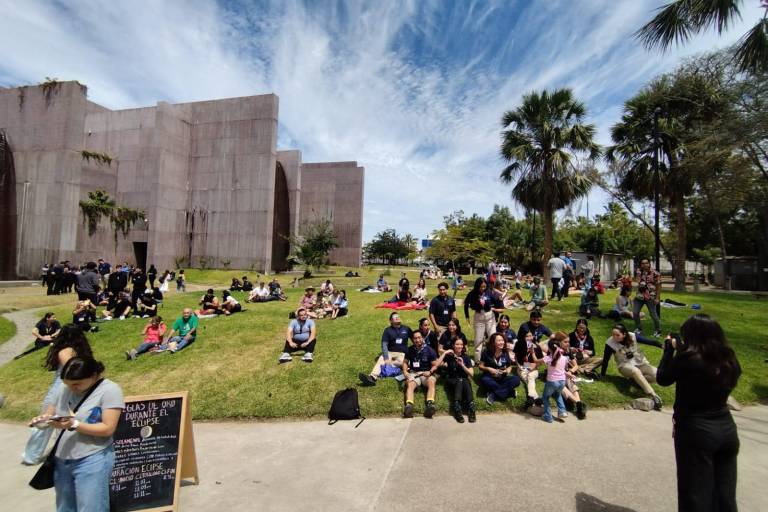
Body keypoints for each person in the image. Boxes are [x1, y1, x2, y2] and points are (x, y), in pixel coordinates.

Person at [657, 315, 742, 512]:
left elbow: (663, 378)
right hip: (726, 429)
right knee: (724, 494)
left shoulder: (688, 360)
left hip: (696, 431)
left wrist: (669, 350)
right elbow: (702, 368)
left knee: (695, 493)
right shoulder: (728, 358)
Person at [28, 356, 124, 512]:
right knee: (65, 508)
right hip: (62, 459)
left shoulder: (110, 390)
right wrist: (43, 421)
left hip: (92, 459)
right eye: (68, 384)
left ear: (93, 375)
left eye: (77, 384)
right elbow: (50, 414)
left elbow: (108, 428)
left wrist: (74, 424)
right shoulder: (63, 388)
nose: (72, 388)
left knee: (92, 508)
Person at [22, 326, 93, 465]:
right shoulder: (82, 351)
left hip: (61, 387)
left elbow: (71, 370)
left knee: (46, 421)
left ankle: (31, 456)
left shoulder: (64, 351)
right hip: (76, 386)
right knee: (64, 420)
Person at [601, 323, 663, 410]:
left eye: (617, 335)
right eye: (613, 334)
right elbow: (605, 360)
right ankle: (653, 395)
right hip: (624, 366)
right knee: (635, 371)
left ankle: (637, 381)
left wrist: (661, 345)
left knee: (657, 374)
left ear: (624, 334)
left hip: (640, 362)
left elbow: (649, 341)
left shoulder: (632, 336)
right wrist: (602, 375)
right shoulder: (610, 343)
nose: (614, 337)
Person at [359, 312, 412, 386]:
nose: (397, 317)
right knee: (381, 358)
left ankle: (397, 365)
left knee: (408, 362)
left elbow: (415, 339)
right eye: (394, 317)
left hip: (403, 354)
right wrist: (386, 358)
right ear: (391, 321)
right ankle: (372, 377)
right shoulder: (387, 330)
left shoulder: (406, 328)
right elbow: (384, 344)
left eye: (398, 316)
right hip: (390, 353)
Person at [402, 330, 439, 418]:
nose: (417, 340)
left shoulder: (430, 350)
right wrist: (405, 372)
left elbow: (435, 365)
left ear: (423, 338)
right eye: (415, 338)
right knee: (410, 384)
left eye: (419, 337)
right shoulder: (410, 349)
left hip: (426, 373)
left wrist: (430, 372)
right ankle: (409, 406)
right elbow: (405, 362)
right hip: (414, 373)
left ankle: (430, 404)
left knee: (432, 382)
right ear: (412, 340)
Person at [439, 337, 476, 423]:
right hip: (451, 380)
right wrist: (445, 353)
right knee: (460, 380)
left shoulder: (466, 357)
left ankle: (471, 409)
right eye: (457, 344)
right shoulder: (449, 357)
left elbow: (471, 374)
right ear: (453, 345)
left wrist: (462, 365)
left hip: (464, 380)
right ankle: (457, 409)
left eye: (461, 344)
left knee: (464, 380)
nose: (460, 346)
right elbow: (437, 364)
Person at [478, 333, 520, 405]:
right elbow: (480, 366)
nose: (502, 342)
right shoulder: (486, 352)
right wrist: (489, 368)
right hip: (490, 377)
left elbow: (509, 366)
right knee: (485, 381)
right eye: (499, 340)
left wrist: (506, 371)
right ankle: (509, 392)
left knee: (516, 379)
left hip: (502, 377)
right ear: (493, 342)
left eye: (502, 340)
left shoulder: (505, 352)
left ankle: (493, 395)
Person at [463, 277, 497, 364]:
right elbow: (466, 304)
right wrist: (467, 317)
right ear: (477, 286)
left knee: (493, 337)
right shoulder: (472, 293)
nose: (483, 288)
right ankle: (478, 360)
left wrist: (496, 311)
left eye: (484, 286)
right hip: (479, 317)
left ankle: (492, 357)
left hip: (489, 316)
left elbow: (496, 301)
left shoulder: (488, 292)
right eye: (481, 287)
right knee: (478, 340)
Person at [541, 332, 569, 423]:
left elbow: (537, 361)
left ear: (549, 348)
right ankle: (562, 411)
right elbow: (563, 369)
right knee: (557, 395)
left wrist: (533, 353)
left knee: (545, 397)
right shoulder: (564, 358)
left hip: (552, 381)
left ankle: (548, 417)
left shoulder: (549, 358)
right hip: (562, 381)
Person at [513, 330, 544, 410]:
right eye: (526, 336)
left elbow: (541, 362)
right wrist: (518, 366)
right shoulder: (519, 344)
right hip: (523, 367)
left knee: (530, 376)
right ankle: (536, 398)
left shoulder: (537, 347)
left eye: (530, 336)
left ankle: (530, 397)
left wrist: (535, 366)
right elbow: (516, 357)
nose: (529, 338)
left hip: (534, 368)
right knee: (529, 380)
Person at [633, 258, 662, 337]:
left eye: (646, 263)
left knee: (653, 314)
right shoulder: (639, 272)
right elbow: (637, 282)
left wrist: (657, 298)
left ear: (649, 264)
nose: (644, 265)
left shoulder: (655, 273)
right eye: (642, 263)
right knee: (635, 313)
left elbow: (659, 286)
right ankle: (639, 328)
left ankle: (658, 331)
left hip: (650, 297)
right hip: (640, 296)